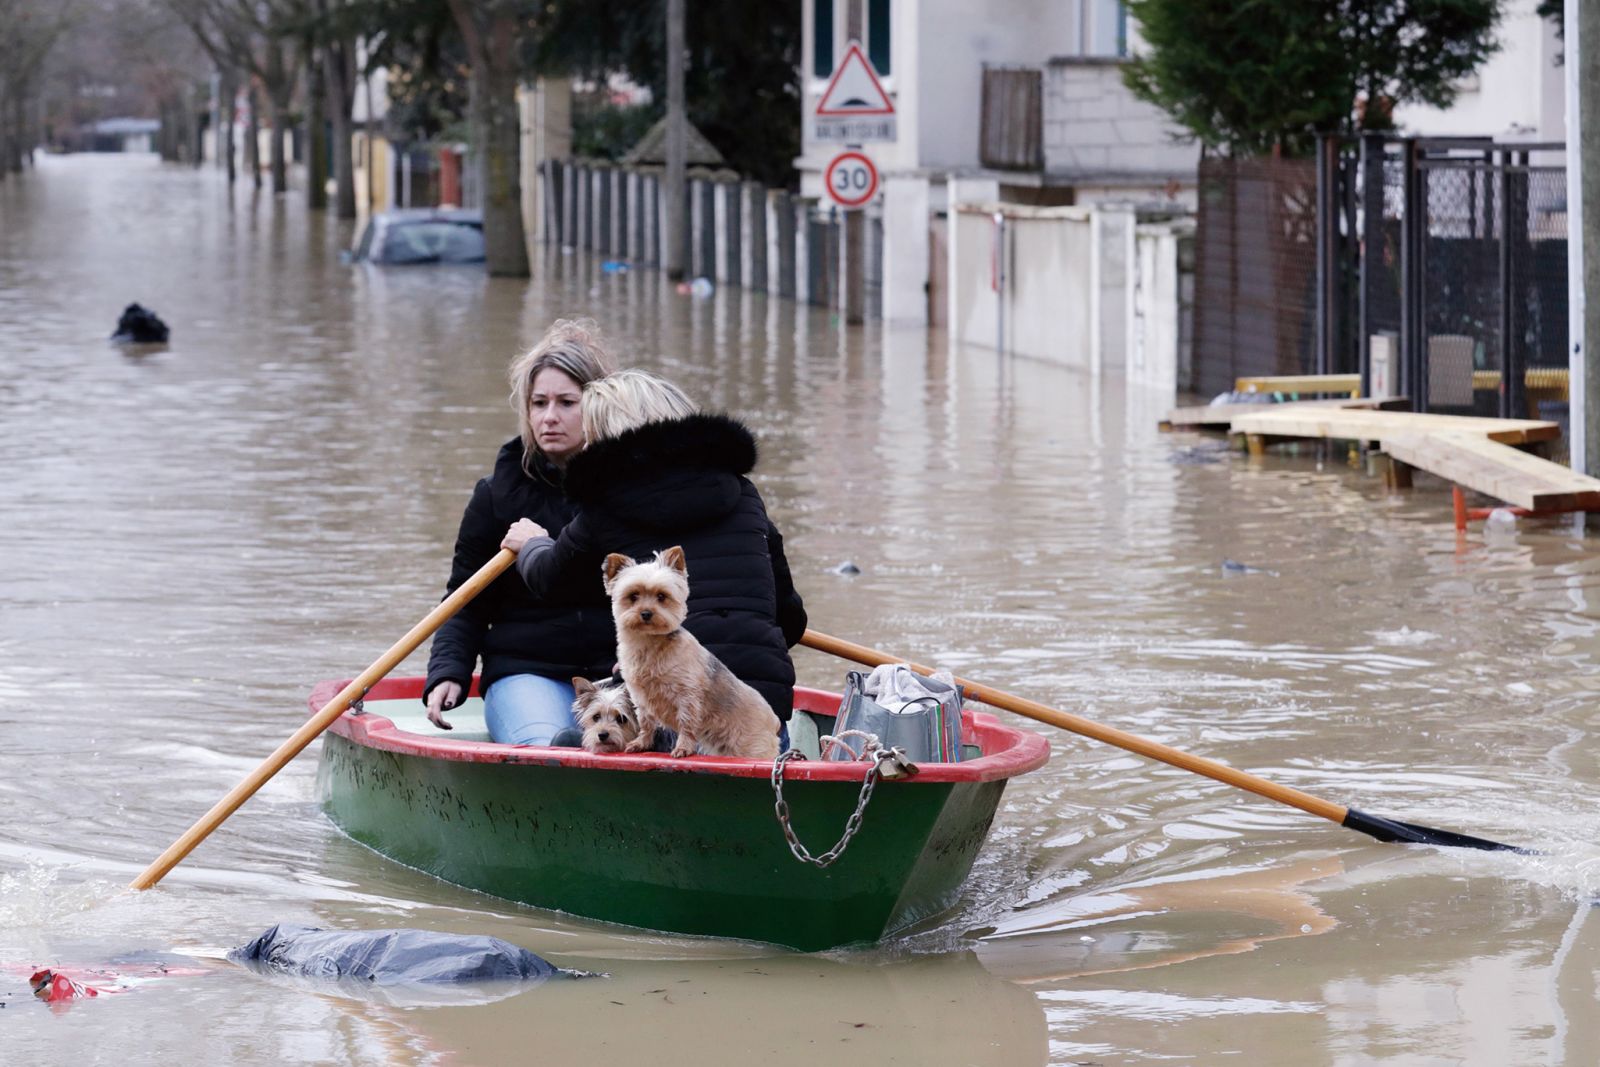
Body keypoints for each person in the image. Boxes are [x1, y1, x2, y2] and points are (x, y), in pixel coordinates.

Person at [502, 369, 807, 735]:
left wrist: (532, 543)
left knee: (572, 739)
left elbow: (550, 578)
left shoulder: (605, 504)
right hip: (762, 712)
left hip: (675, 719)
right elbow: (790, 620)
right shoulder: (744, 493)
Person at [423, 320, 618, 745]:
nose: (549, 417)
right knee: (553, 747)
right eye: (538, 403)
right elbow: (465, 599)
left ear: (599, 404)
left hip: (620, 672)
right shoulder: (495, 496)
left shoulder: (635, 489)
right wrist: (449, 670)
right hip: (526, 670)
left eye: (567, 402)